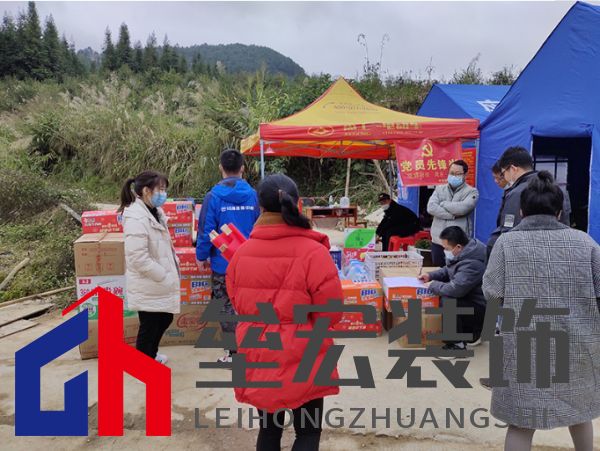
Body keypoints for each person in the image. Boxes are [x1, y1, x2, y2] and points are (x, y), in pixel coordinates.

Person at [483, 171, 600, 451]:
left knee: (521, 422)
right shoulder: (585, 243)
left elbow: (492, 293)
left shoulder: (507, 243)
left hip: (523, 345)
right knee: (580, 411)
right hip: (578, 344)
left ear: (522, 211)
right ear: (559, 212)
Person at [226, 174, 343, 451]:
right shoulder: (314, 252)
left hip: (258, 351)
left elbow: (238, 303)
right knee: (308, 432)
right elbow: (331, 311)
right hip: (305, 352)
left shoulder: (241, 254)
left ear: (260, 207)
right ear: (298, 203)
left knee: (269, 430)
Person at [196, 149, 260, 364]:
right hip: (251, 264)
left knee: (225, 306)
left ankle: (234, 354)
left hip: (223, 265)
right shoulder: (254, 196)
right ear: (242, 168)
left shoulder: (212, 197)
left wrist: (201, 256)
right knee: (250, 306)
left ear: (220, 168)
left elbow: (206, 231)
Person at [119, 171, 180, 365]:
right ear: (146, 191)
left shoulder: (154, 212)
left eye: (164, 189)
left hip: (157, 282)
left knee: (164, 318)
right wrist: (164, 275)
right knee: (150, 325)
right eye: (160, 189)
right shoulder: (136, 218)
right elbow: (137, 258)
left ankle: (150, 355)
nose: (164, 193)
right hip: (150, 282)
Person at [486, 146, 570, 256]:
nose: (504, 178)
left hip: (525, 255)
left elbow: (508, 233)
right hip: (556, 252)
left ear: (513, 169)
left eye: (503, 173)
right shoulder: (557, 189)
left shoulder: (517, 193)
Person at [418, 226, 487, 353]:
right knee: (445, 293)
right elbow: (449, 269)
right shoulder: (465, 252)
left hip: (478, 308)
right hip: (468, 300)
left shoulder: (473, 263)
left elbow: (455, 289)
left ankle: (456, 345)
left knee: (448, 300)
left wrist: (433, 285)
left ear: (458, 247)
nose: (444, 251)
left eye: (447, 248)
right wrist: (430, 276)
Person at [427, 160, 479, 267]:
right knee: (438, 269)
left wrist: (443, 203)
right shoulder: (439, 189)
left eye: (458, 174)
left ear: (465, 175)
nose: (454, 176)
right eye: (451, 173)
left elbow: (463, 209)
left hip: (457, 243)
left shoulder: (472, 192)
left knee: (456, 270)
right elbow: (431, 208)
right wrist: (452, 215)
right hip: (438, 240)